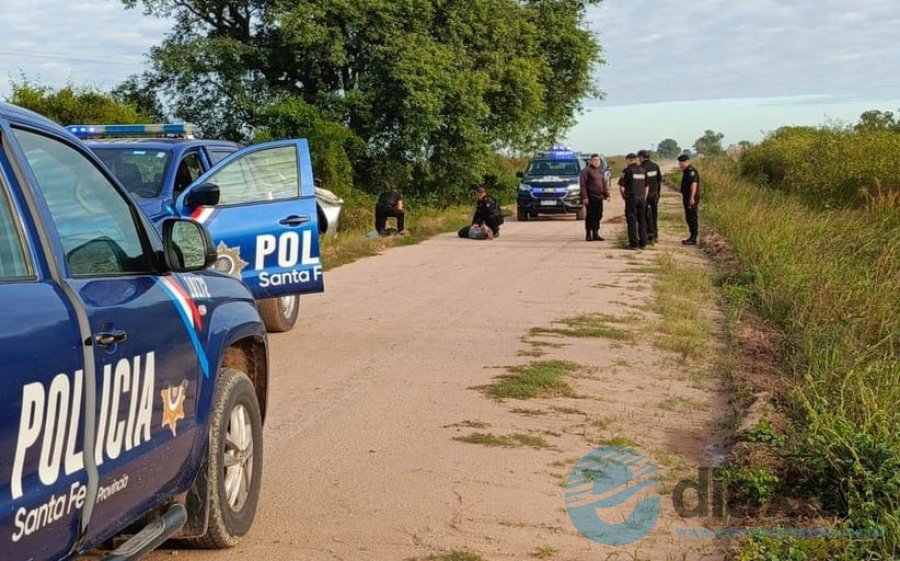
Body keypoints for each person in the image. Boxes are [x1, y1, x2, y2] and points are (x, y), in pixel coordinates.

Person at [618, 153, 649, 249]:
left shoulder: (627, 171)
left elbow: (622, 187)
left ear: (628, 160)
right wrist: (644, 197)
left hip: (631, 198)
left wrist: (624, 197)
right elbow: (647, 186)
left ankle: (633, 243)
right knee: (642, 220)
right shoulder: (643, 171)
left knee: (631, 221)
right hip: (642, 198)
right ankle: (643, 243)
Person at [579, 153, 610, 241]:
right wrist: (584, 197)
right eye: (595, 160)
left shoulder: (600, 171)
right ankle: (588, 234)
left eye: (598, 160)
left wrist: (607, 195)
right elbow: (583, 185)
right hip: (590, 197)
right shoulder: (586, 171)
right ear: (591, 161)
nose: (597, 162)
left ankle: (596, 233)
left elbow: (604, 184)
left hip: (599, 197)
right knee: (590, 216)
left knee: (598, 215)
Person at [638, 149, 662, 244]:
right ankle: (655, 236)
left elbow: (640, 184)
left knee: (645, 216)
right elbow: (659, 181)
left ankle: (649, 235)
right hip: (654, 194)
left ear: (641, 157)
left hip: (646, 195)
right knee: (654, 215)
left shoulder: (641, 168)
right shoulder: (655, 166)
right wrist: (658, 193)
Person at [677, 154, 700, 245]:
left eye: (681, 163)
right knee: (688, 217)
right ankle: (692, 236)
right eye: (679, 163)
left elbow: (694, 184)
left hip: (691, 198)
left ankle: (693, 238)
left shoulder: (691, 171)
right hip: (687, 197)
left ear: (687, 162)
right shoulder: (686, 171)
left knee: (692, 217)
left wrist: (691, 197)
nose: (680, 164)